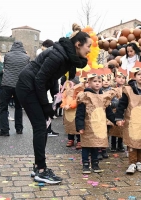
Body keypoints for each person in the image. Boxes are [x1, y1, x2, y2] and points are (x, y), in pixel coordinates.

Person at [16, 23, 90, 184]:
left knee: (42, 127)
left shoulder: (66, 55)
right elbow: (40, 79)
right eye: (88, 46)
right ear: (78, 44)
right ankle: (41, 170)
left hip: (33, 86)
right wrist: (46, 105)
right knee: (41, 127)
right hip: (27, 87)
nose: (90, 49)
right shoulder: (58, 56)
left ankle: (38, 166)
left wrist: (53, 100)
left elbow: (51, 79)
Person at [76, 69, 116, 174]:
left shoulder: (103, 97)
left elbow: (108, 111)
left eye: (99, 81)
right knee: (86, 146)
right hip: (87, 126)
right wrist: (80, 126)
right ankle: (85, 164)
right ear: (89, 83)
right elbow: (80, 113)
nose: (97, 83)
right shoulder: (85, 96)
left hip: (98, 126)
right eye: (94, 81)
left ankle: (95, 163)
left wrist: (116, 120)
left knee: (96, 145)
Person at [0, 41, 30, 136]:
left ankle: (4, 130)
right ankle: (19, 128)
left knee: (3, 107)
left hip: (7, 84)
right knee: (19, 107)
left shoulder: (7, 55)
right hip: (20, 85)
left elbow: (5, 66)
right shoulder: (27, 57)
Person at [61, 71, 85, 149]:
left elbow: (77, 100)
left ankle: (79, 140)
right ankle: (70, 139)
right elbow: (63, 98)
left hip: (75, 111)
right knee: (69, 126)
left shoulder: (79, 91)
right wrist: (63, 105)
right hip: (67, 111)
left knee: (76, 125)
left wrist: (70, 105)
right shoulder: (65, 91)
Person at [109, 68, 127, 152]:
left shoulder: (127, 89)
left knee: (122, 128)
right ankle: (113, 145)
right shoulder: (112, 89)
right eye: (119, 77)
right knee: (114, 127)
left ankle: (120, 144)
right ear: (115, 78)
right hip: (115, 110)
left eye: (123, 78)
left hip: (123, 111)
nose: (121, 79)